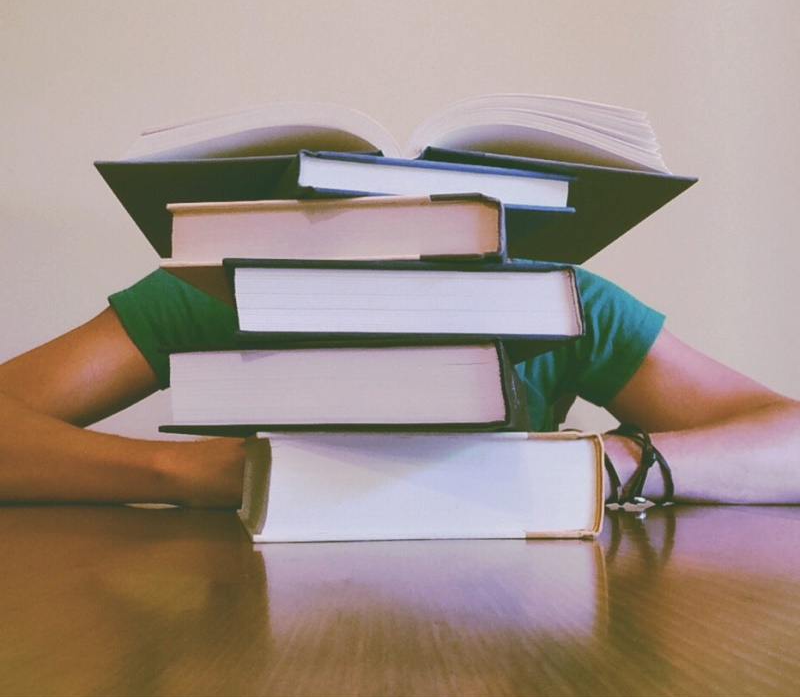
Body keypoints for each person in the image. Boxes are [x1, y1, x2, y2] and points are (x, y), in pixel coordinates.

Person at [1, 266, 799, 508]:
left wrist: (606, 464)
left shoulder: (558, 304)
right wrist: (184, 472)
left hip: (514, 619)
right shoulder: (216, 294)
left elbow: (786, 440)